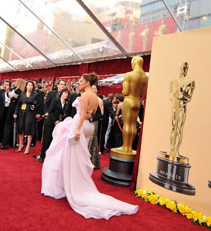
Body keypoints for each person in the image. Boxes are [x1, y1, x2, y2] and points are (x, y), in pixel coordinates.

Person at [41, 72, 138, 220]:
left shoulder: (86, 96)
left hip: (80, 127)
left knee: (72, 157)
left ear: (87, 82)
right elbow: (90, 113)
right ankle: (76, 180)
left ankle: (73, 183)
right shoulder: (95, 97)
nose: (78, 83)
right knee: (80, 155)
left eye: (80, 81)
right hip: (89, 127)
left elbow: (81, 115)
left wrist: (78, 129)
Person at [39, 89, 69, 163]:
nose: (66, 95)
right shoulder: (55, 101)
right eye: (65, 93)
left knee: (54, 141)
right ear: (61, 93)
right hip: (50, 123)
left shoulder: (66, 104)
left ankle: (51, 157)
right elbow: (50, 111)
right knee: (47, 140)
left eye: (67, 93)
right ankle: (42, 156)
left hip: (59, 125)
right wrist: (55, 121)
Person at [14, 80, 42, 154]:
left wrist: (35, 108)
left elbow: (39, 104)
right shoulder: (22, 94)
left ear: (33, 87)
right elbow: (18, 104)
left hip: (30, 113)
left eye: (31, 85)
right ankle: (21, 144)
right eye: (28, 85)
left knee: (29, 129)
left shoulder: (35, 95)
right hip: (21, 113)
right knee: (20, 129)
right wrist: (15, 113)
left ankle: (28, 146)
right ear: (26, 86)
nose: (30, 86)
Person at [88, 84, 103, 169]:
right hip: (86, 122)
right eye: (91, 89)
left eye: (94, 89)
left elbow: (101, 114)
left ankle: (92, 161)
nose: (93, 90)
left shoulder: (99, 100)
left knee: (92, 141)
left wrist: (92, 117)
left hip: (94, 122)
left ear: (97, 90)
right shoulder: (88, 98)